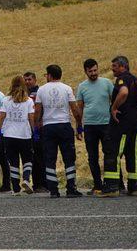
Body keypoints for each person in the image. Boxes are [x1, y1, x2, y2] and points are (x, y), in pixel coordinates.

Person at [100, 56, 137, 198]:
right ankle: (134, 187)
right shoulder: (136, 80)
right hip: (135, 123)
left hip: (121, 123)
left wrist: (114, 108)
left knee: (113, 152)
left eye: (115, 66)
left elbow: (123, 92)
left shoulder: (122, 79)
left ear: (123, 66)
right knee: (133, 153)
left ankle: (111, 187)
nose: (112, 69)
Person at [34, 64, 83, 198]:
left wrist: (36, 128)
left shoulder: (42, 90)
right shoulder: (67, 88)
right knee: (69, 158)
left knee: (50, 159)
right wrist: (79, 126)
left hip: (49, 126)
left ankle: (53, 190)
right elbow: (75, 109)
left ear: (49, 75)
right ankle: (71, 188)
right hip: (64, 125)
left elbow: (37, 110)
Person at [75, 59, 114, 195]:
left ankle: (113, 184)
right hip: (90, 126)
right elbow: (79, 108)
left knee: (110, 154)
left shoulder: (107, 83)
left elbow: (114, 101)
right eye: (90, 71)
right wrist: (78, 127)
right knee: (92, 157)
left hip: (106, 124)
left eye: (95, 70)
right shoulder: (82, 87)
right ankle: (97, 185)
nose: (93, 73)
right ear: (85, 71)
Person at [0, 75, 35, 195]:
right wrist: (34, 131)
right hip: (24, 134)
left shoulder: (6, 100)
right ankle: (27, 179)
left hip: (9, 135)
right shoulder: (28, 100)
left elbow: (1, 116)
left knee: (13, 162)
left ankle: (16, 188)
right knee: (27, 159)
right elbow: (31, 117)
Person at [24, 71, 47, 193]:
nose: (27, 82)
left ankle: (43, 184)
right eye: (25, 80)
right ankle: (36, 184)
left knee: (40, 157)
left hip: (39, 128)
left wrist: (40, 122)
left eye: (29, 79)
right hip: (27, 130)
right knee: (32, 157)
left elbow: (42, 108)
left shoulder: (39, 92)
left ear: (35, 80)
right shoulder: (23, 94)